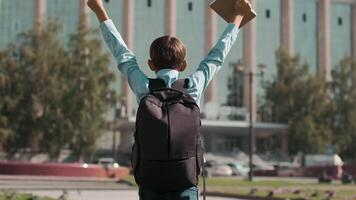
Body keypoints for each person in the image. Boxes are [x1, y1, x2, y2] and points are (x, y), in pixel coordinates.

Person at [87, 0, 252, 199]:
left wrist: (100, 10)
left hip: (150, 182)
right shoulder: (192, 87)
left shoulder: (144, 88)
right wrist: (238, 16)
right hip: (185, 183)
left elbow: (122, 54)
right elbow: (217, 55)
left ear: (151, 64)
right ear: (183, 65)